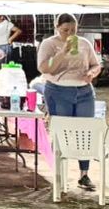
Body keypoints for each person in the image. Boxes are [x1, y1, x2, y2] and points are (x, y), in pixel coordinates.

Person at [38, 13, 102, 191]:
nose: (69, 33)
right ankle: (59, 173)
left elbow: (95, 65)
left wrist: (92, 73)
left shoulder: (84, 43)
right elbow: (44, 68)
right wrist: (63, 52)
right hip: (58, 90)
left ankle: (84, 174)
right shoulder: (49, 44)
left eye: (73, 30)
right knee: (62, 132)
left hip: (83, 90)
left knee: (85, 131)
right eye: (65, 30)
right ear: (57, 28)